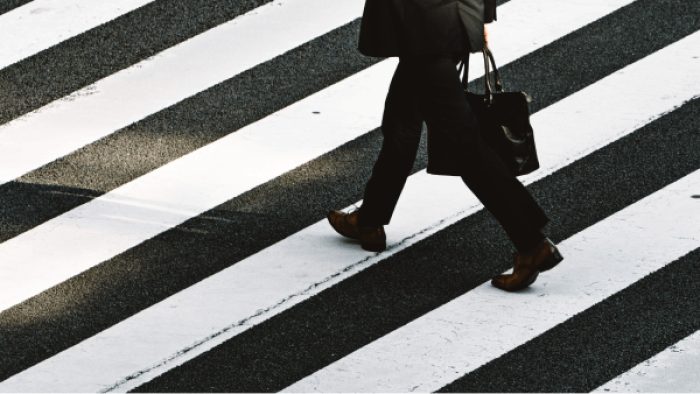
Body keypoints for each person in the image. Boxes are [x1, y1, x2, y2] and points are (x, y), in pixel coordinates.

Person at [327, 0, 563, 292]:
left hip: (421, 29)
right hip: (452, 21)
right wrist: (481, 17)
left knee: (463, 143)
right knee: (402, 119)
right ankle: (370, 219)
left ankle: (531, 243)